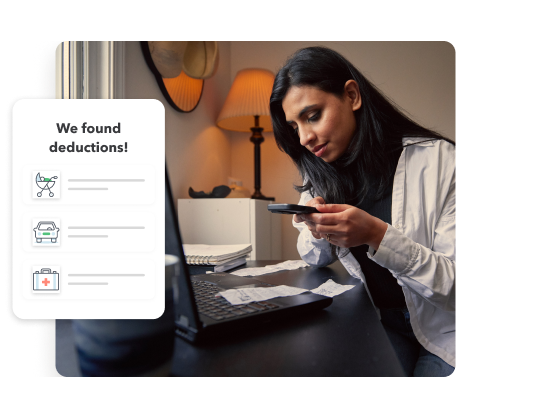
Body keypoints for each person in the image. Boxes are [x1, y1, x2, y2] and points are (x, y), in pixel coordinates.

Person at [269, 46, 456, 377]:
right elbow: (314, 258)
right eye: (295, 127)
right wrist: (318, 228)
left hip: (447, 330)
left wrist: (376, 235)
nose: (305, 138)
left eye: (312, 116)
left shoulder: (441, 162)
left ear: (352, 95)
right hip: (379, 322)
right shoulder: (321, 174)